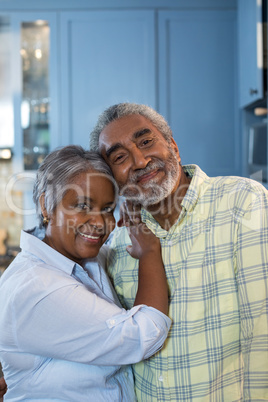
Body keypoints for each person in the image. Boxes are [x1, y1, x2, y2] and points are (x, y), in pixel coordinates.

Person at [90, 102, 268, 401]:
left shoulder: (243, 203)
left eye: (146, 142)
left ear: (172, 145)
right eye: (120, 157)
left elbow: (263, 333)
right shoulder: (118, 243)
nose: (139, 160)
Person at [0, 145, 171, 401]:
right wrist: (149, 254)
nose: (100, 223)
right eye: (82, 206)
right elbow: (141, 336)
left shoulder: (81, 258)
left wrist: (134, 207)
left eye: (107, 209)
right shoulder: (39, 287)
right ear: (46, 205)